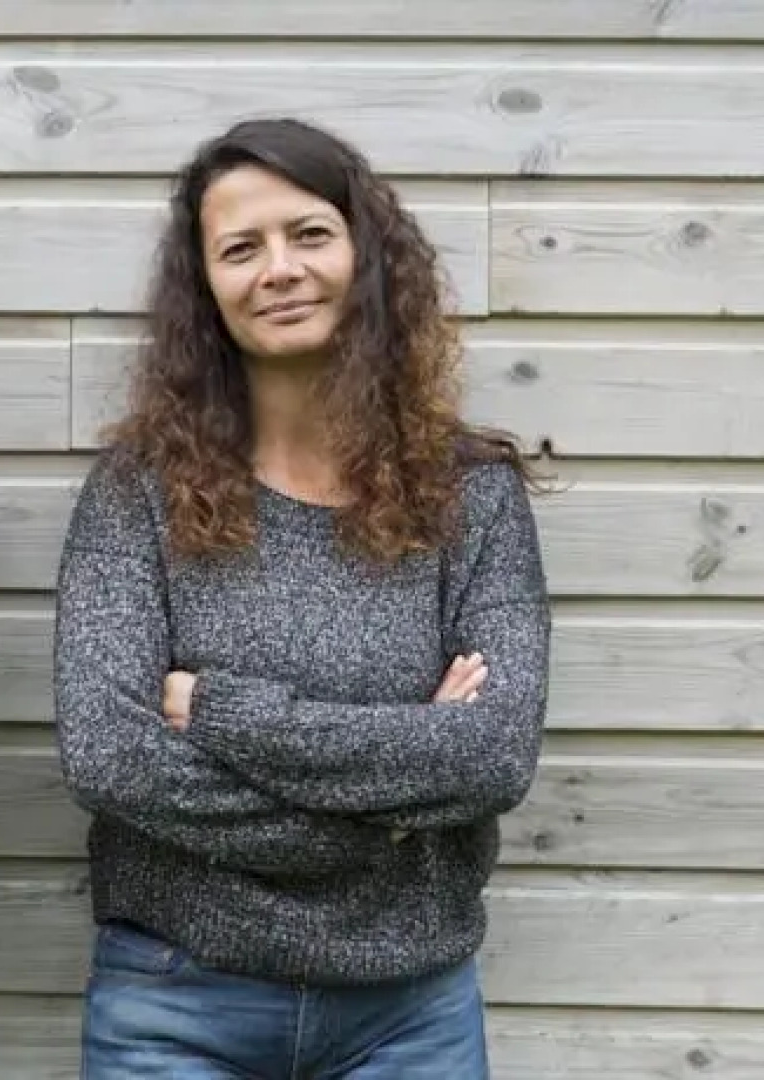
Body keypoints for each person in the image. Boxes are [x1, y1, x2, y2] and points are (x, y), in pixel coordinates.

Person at [52, 116, 553, 1079]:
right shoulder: (137, 492)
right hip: (175, 1001)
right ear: (207, 290)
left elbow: (491, 754)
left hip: (409, 1012)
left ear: (365, 256)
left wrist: (219, 710)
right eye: (241, 249)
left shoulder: (471, 493)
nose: (278, 268)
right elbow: (112, 759)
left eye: (309, 234)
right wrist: (396, 810)